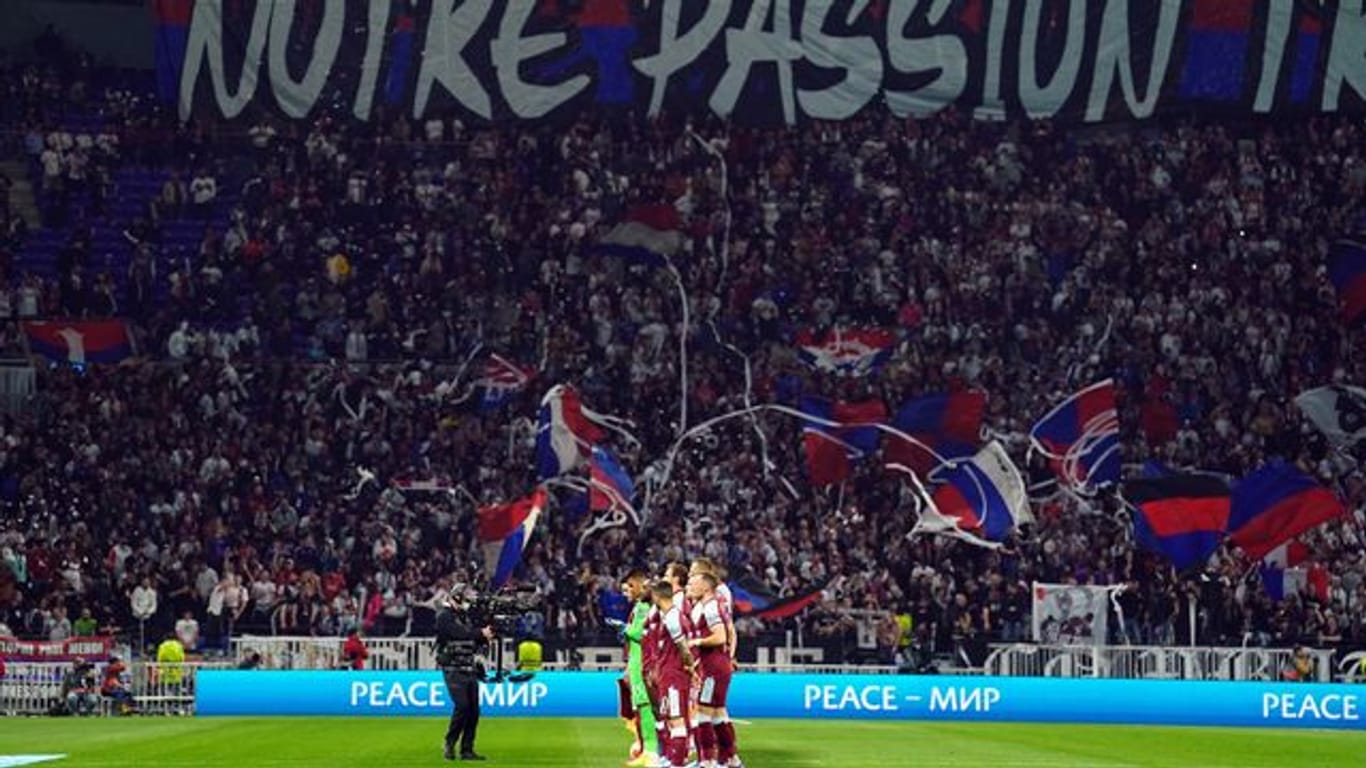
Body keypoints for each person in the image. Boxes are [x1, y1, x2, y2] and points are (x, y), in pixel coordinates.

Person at [688, 571, 741, 768]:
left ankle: (707, 761)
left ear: (706, 587)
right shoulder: (707, 606)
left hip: (714, 669)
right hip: (714, 666)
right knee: (719, 715)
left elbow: (720, 637)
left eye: (694, 583)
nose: (690, 586)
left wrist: (696, 641)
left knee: (703, 713)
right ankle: (731, 758)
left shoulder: (710, 608)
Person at [435, 588, 492, 761]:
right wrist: (480, 633)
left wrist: (485, 636)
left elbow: (472, 638)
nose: (467, 604)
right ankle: (449, 743)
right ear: (456, 598)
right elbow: (459, 633)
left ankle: (467, 749)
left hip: (468, 667)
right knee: (462, 707)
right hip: (453, 668)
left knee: (474, 710)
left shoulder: (464, 617)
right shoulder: (444, 616)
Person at [649, 579, 697, 768]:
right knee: (672, 717)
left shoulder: (672, 618)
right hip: (671, 674)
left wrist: (690, 667)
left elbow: (684, 648)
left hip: (674, 676)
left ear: (657, 595)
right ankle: (676, 760)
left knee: (676, 720)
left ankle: (677, 763)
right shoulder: (672, 615)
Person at [620, 570, 659, 767]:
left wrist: (624, 628)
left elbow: (639, 633)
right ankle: (647, 750)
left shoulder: (644, 607)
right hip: (635, 662)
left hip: (641, 663)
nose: (627, 591)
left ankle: (651, 752)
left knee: (645, 709)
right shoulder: (639, 606)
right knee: (641, 709)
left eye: (629, 587)